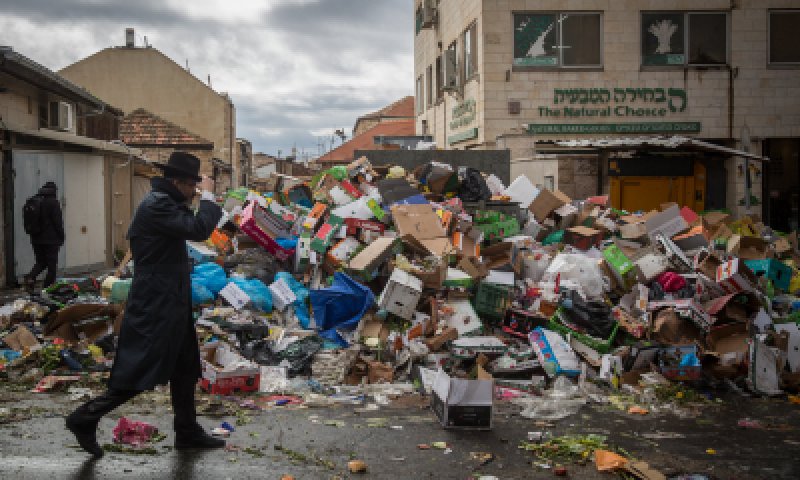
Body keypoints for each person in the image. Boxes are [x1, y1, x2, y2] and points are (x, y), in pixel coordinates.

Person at [66, 152, 224, 457]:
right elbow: (198, 229)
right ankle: (84, 418)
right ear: (178, 183)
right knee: (140, 369)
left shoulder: (166, 202)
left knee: (184, 368)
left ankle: (187, 431)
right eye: (192, 186)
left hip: (170, 300)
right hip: (156, 303)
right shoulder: (157, 205)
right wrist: (209, 198)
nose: (194, 192)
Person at [23, 181, 64, 291]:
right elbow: (58, 222)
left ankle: (30, 277)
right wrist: (61, 236)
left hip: (36, 239)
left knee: (41, 262)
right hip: (51, 240)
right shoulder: (53, 203)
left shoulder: (35, 200)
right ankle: (47, 290)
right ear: (54, 191)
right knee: (52, 267)